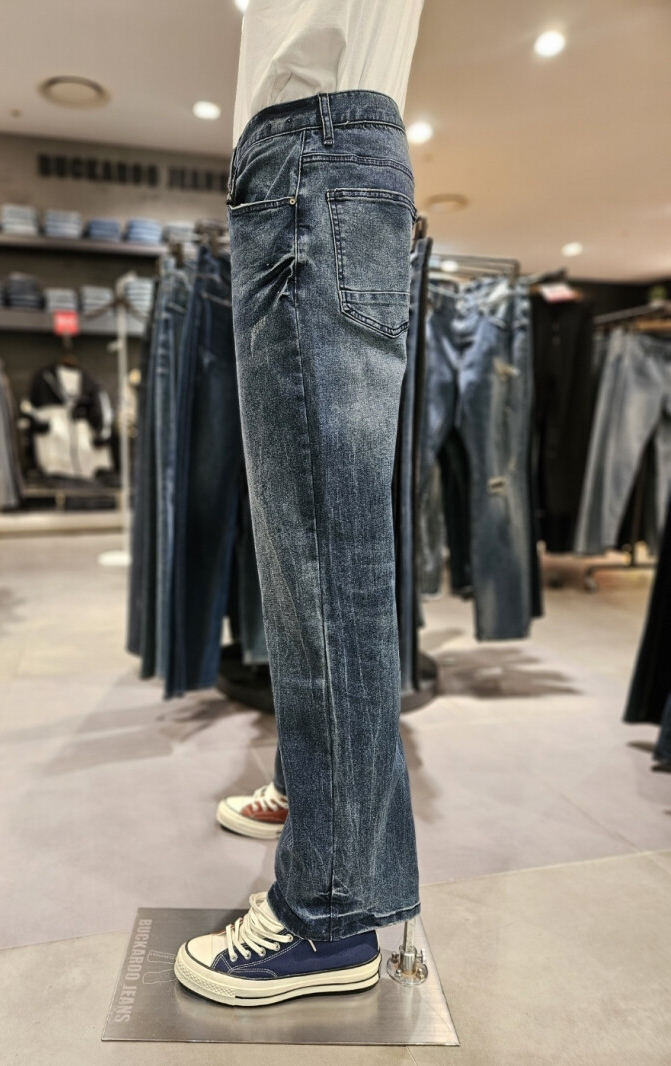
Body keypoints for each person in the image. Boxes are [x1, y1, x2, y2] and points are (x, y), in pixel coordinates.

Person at [174, 0, 425, 1007]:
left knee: (320, 559)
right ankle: (328, 809)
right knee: (316, 552)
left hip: (307, 159)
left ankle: (328, 911)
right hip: (317, 158)